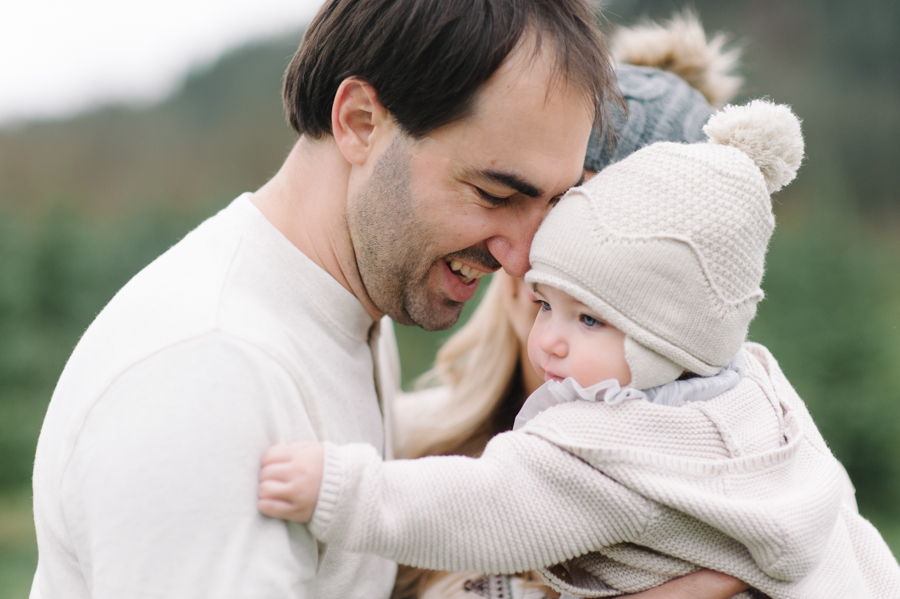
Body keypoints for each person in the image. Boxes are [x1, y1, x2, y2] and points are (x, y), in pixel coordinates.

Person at [29, 0, 621, 597]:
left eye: (549, 203)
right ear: (361, 121)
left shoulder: (351, 313)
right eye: (495, 194)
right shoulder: (213, 371)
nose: (522, 262)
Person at [257, 100, 900, 598]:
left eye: (592, 318)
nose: (551, 339)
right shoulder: (755, 389)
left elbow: (488, 505)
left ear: (676, 336)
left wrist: (343, 490)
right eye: (547, 303)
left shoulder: (604, 448)